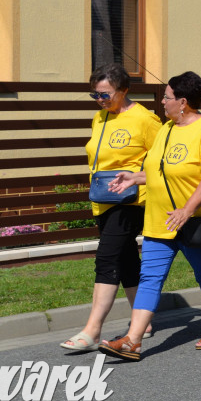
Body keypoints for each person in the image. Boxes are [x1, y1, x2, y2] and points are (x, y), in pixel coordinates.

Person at [98, 71, 201, 361]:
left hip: (191, 222)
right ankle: (133, 340)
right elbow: (159, 170)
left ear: (183, 102)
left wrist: (186, 210)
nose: (163, 103)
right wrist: (135, 178)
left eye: (166, 98)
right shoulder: (166, 129)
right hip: (159, 220)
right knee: (149, 279)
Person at [60, 64, 162, 352]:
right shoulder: (100, 117)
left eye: (105, 94)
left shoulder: (145, 120)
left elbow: (160, 161)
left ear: (124, 90)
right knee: (127, 259)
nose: (100, 100)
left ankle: (92, 330)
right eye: (95, 94)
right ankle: (144, 321)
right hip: (103, 198)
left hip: (130, 199)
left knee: (106, 259)